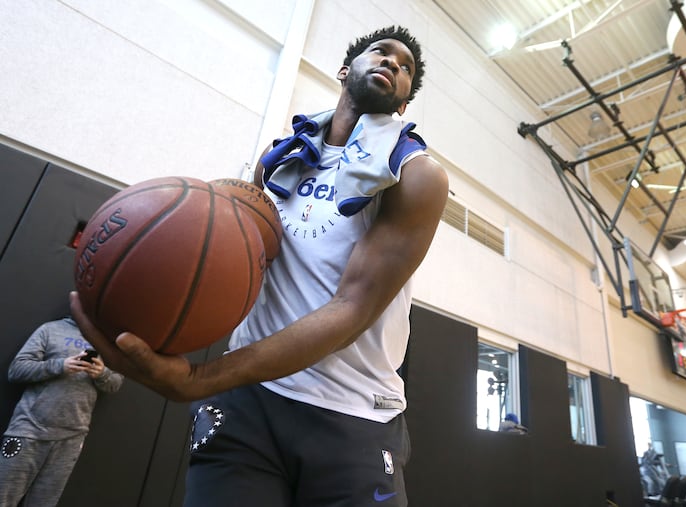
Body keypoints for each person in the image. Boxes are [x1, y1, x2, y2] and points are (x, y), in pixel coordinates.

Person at [70, 25, 449, 506]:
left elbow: (352, 309)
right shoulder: (279, 159)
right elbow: (238, 268)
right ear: (343, 70)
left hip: (352, 412)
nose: (393, 63)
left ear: (402, 105)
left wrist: (200, 378)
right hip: (248, 401)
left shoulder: (416, 174)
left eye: (406, 67)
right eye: (381, 53)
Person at [0, 316, 123, 507]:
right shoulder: (50, 329)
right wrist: (60, 365)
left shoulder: (108, 343)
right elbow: (16, 370)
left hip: (71, 438)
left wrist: (101, 374)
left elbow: (115, 384)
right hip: (28, 431)